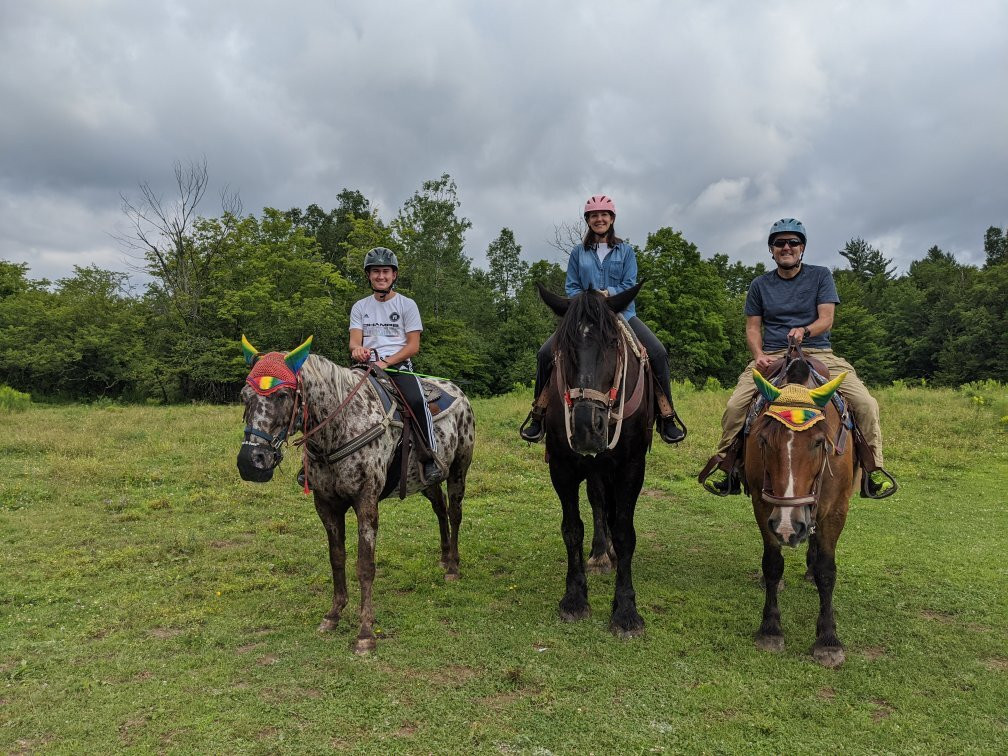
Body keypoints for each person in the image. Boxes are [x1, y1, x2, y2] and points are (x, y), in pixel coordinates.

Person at [701, 218, 897, 497]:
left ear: (802, 248)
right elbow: (753, 327)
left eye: (793, 242)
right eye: (779, 243)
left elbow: (826, 319)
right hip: (772, 355)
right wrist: (758, 355)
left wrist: (805, 331)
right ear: (772, 250)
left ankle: (872, 470)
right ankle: (728, 466)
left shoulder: (820, 276)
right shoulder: (759, 284)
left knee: (865, 403)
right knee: (735, 407)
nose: (786, 247)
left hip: (818, 351)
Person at [519, 195, 686, 444]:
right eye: (594, 215)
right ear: (588, 220)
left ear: (612, 219)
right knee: (545, 354)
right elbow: (572, 286)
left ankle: (666, 415)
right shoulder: (578, 253)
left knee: (658, 352)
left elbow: (629, 283)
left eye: (604, 214)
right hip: (584, 317)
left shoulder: (626, 251)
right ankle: (538, 414)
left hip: (621, 313)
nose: (599, 219)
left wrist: (608, 295)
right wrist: (588, 300)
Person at [350, 247, 441, 482]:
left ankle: (430, 457)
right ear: (368, 275)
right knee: (333, 398)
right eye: (376, 272)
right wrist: (358, 350)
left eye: (386, 271)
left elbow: (413, 347)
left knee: (416, 400)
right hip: (365, 369)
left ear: (394, 275)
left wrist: (384, 362)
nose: (381, 276)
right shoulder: (360, 307)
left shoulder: (407, 305)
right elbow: (354, 343)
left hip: (396, 368)